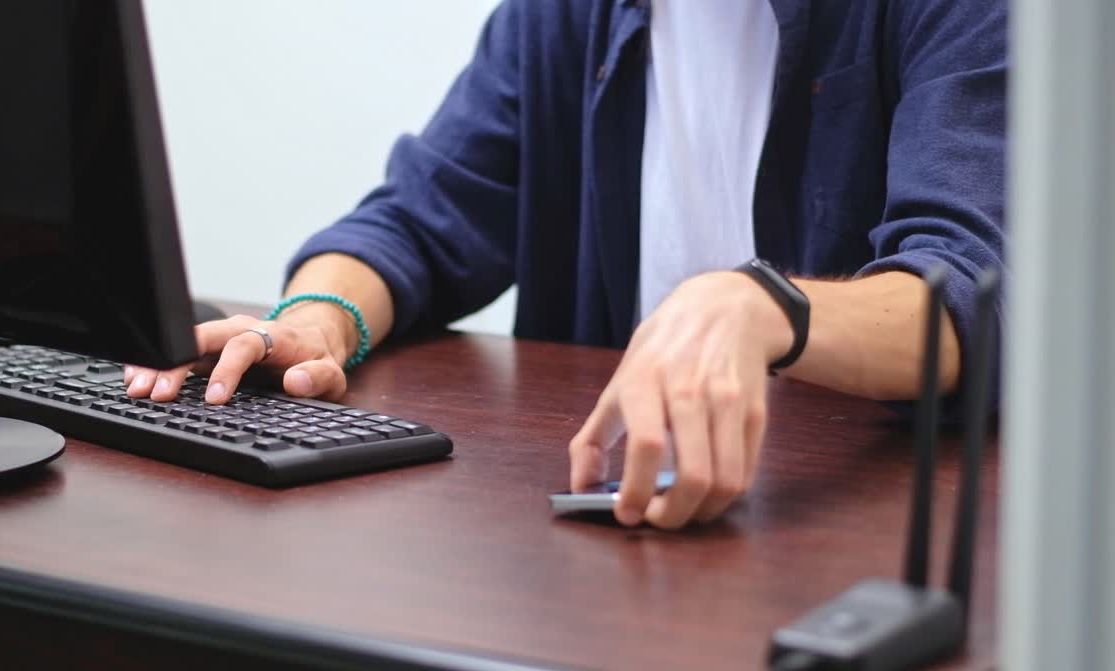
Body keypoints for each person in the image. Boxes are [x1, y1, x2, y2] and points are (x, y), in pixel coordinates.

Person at [126, 0, 1006, 530]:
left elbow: (971, 287)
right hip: (611, 532)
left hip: (864, 541)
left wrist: (762, 306)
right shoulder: (564, 14)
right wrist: (316, 320)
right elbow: (417, 220)